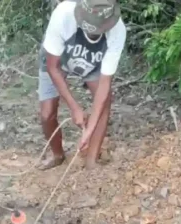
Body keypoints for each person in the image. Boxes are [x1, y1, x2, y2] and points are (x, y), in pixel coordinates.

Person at [37, 0, 126, 170]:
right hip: (58, 61)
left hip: (92, 63)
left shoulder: (117, 30)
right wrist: (74, 108)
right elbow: (52, 67)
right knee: (46, 114)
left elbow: (105, 84)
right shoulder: (63, 15)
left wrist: (88, 131)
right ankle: (57, 154)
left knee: (104, 102)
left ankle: (91, 161)